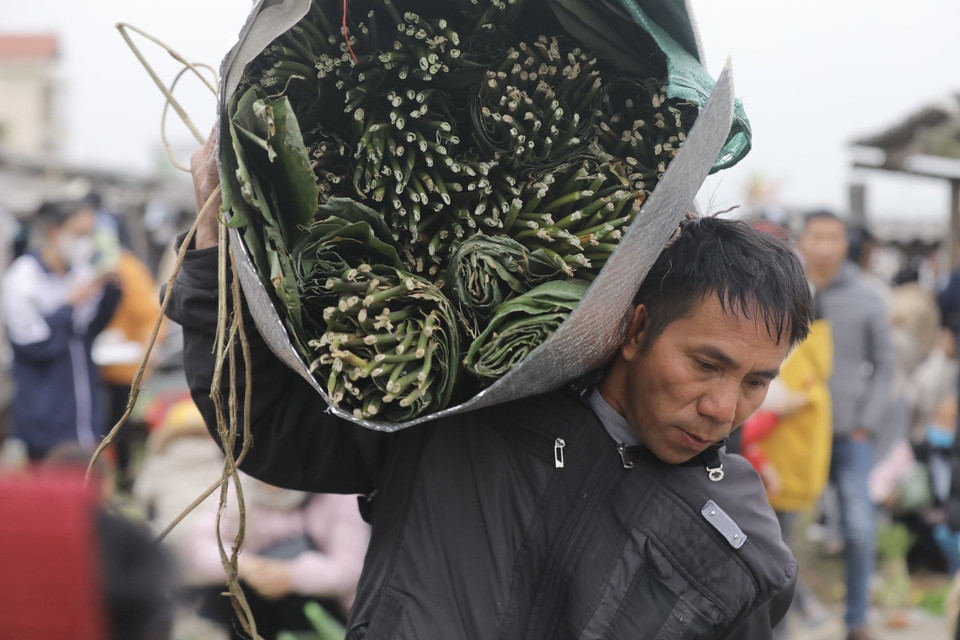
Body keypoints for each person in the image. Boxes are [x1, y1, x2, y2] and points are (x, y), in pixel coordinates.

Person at [164, 134, 815, 639]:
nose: (724, 408)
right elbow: (269, 430)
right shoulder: (468, 406)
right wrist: (214, 251)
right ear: (638, 329)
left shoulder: (741, 549)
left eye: (758, 381)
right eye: (706, 365)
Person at [798, 211, 895, 640]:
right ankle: (782, 619)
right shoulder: (790, 288)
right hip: (797, 431)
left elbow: (886, 367)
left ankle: (855, 619)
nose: (823, 246)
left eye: (832, 237)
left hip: (849, 433)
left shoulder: (868, 296)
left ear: (844, 243)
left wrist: (866, 424)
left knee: (859, 524)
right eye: (816, 236)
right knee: (780, 530)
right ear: (803, 241)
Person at [739, 302, 833, 638]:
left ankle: (791, 621)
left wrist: (764, 459)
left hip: (772, 479)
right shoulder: (817, 361)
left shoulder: (792, 360)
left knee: (773, 565)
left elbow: (748, 432)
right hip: (788, 479)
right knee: (779, 558)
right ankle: (803, 611)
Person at [1, 199, 121, 461]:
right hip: (44, 426)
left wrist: (110, 291)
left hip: (84, 418)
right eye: (79, 234)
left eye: (91, 235)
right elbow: (36, 345)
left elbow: (87, 334)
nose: (86, 242)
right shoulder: (24, 278)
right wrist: (69, 306)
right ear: (54, 231)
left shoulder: (81, 273)